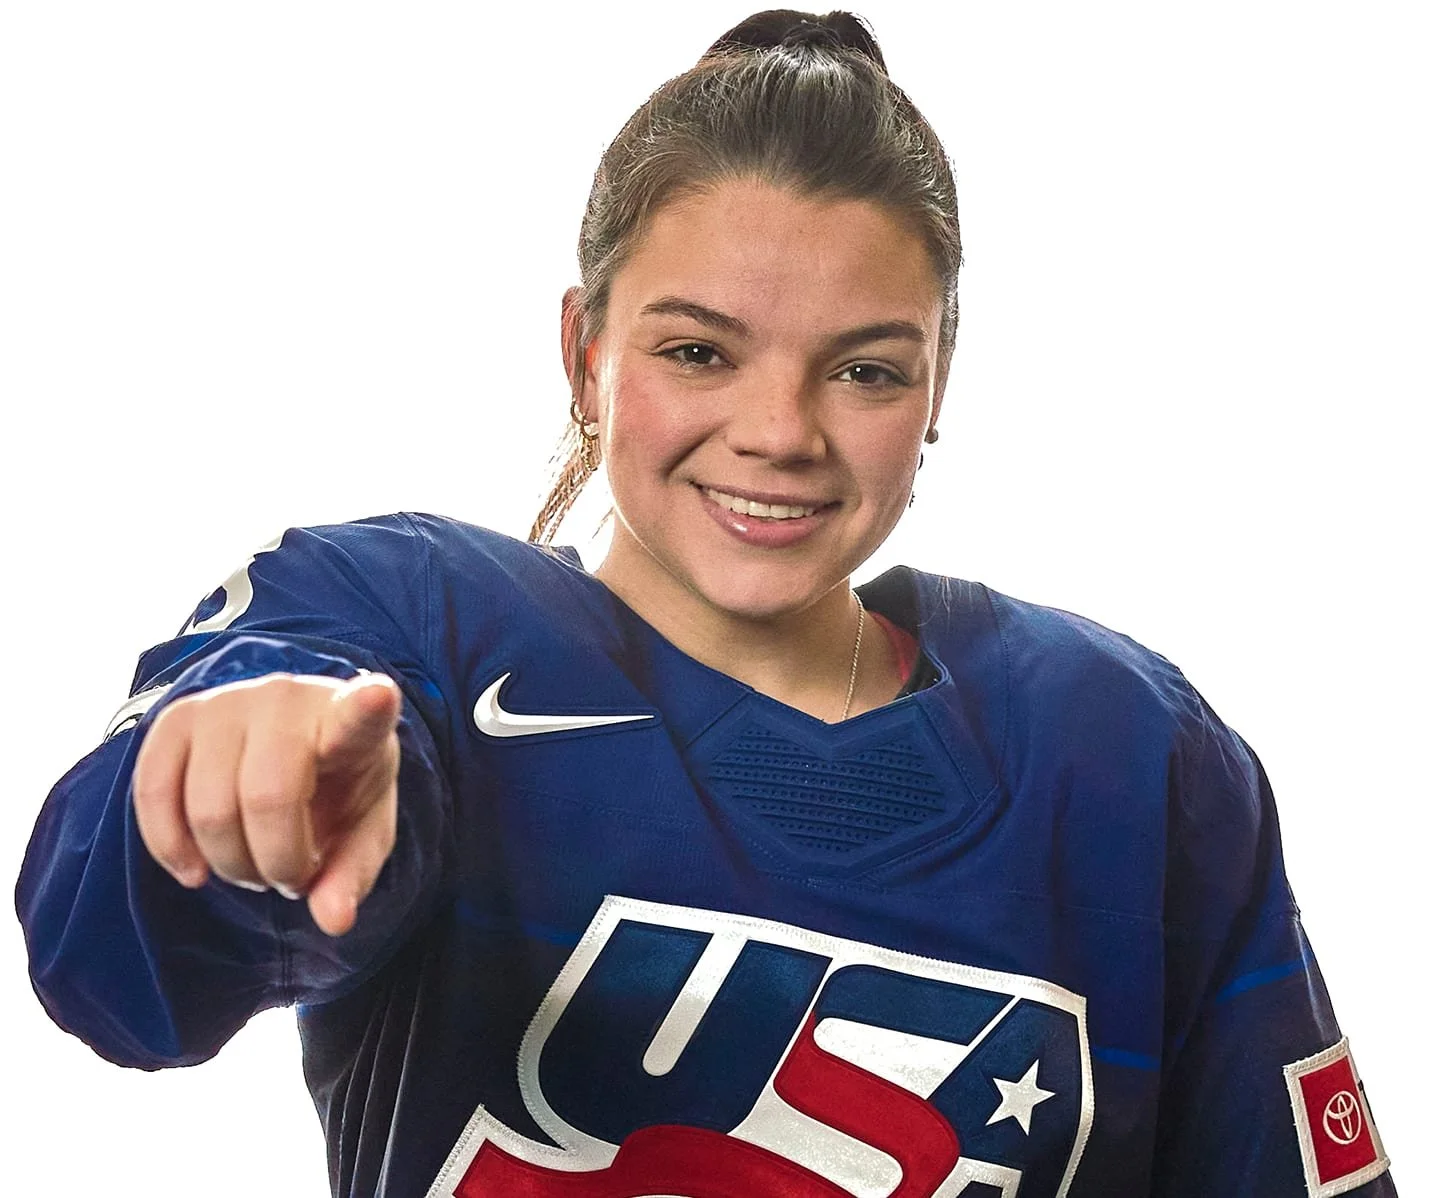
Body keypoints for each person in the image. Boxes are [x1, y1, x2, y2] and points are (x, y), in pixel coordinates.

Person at [14, 9, 1398, 1197]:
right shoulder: (407, 628)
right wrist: (223, 802)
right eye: (698, 351)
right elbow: (114, 975)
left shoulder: (1127, 750)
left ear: (939, 384)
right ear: (585, 352)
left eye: (864, 370)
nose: (779, 432)